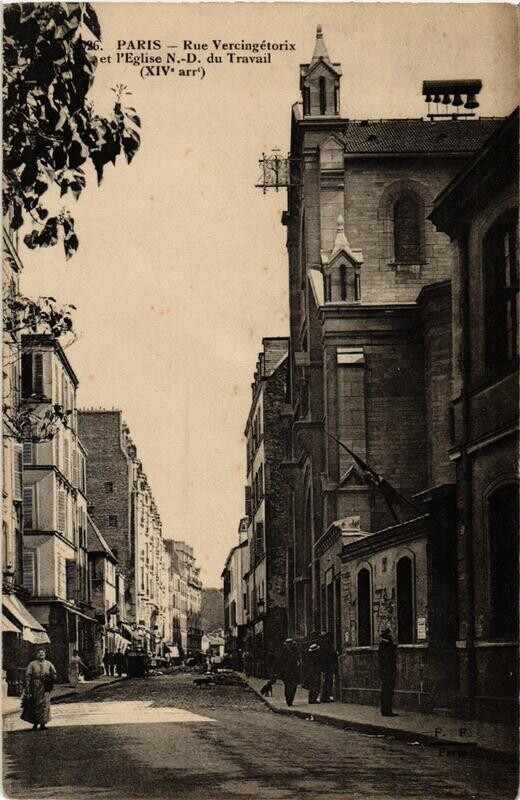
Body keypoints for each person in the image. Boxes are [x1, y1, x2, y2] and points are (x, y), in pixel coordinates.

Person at [21, 648, 57, 731]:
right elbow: (28, 675)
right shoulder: (32, 664)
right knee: (35, 704)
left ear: (45, 654)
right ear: (36, 654)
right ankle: (35, 723)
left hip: (45, 686)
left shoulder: (48, 663)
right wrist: (27, 686)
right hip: (35, 686)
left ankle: (43, 723)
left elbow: (54, 673)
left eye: (43, 653)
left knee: (45, 704)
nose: (41, 654)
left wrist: (50, 678)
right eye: (39, 653)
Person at [378, 628, 397, 716]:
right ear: (388, 635)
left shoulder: (382, 644)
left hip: (384, 671)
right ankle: (387, 710)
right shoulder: (387, 645)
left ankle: (384, 709)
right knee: (388, 691)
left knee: (385, 690)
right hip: (388, 671)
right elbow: (389, 659)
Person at [278, 638, 300, 707]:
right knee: (288, 687)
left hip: (293, 672)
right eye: (288, 644)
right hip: (286, 673)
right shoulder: (283, 652)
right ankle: (289, 701)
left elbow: (297, 660)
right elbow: (280, 663)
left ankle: (290, 700)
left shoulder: (294, 651)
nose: (290, 645)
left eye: (290, 644)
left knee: (293, 687)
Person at [320, 633, 337, 703]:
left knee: (327, 682)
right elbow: (330, 656)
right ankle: (325, 697)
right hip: (328, 667)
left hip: (326, 666)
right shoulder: (327, 647)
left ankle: (325, 696)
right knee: (328, 682)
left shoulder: (323, 646)